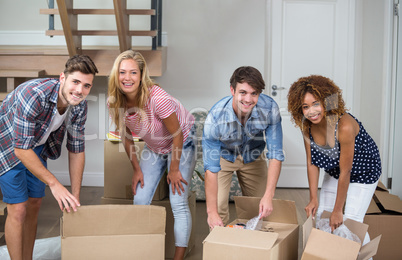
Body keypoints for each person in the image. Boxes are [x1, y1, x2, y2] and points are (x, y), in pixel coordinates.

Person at [0, 54, 98, 259]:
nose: (80, 90)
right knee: (18, 209)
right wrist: (55, 184)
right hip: (8, 145)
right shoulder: (33, 95)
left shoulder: (79, 104)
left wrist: (76, 197)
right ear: (62, 78)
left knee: (35, 204)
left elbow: (76, 149)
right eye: (75, 82)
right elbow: (20, 149)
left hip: (34, 145)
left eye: (86, 85)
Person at [107, 50, 196, 260]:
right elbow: (127, 137)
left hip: (181, 141)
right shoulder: (116, 101)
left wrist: (173, 169)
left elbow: (177, 135)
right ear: (116, 75)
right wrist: (137, 170)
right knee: (140, 199)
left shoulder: (157, 98)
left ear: (141, 75)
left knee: (178, 201)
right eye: (122, 72)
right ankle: (144, 251)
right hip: (155, 147)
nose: (127, 78)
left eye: (133, 72)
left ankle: (178, 257)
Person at [287, 75, 381, 245]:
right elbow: (312, 162)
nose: (311, 111)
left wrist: (338, 210)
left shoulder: (344, 126)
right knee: (323, 215)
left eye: (316, 104)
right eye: (305, 107)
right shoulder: (307, 126)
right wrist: (313, 197)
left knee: (351, 222)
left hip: (364, 171)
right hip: (335, 168)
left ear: (326, 102)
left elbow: (347, 171)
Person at [202, 66, 284, 229]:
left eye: (254, 93)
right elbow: (211, 168)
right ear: (232, 90)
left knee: (261, 210)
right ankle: (220, 250)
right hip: (224, 156)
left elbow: (275, 153)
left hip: (253, 157)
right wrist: (211, 213)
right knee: (217, 209)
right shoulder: (215, 117)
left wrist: (269, 195)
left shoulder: (269, 108)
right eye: (243, 92)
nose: (248, 99)